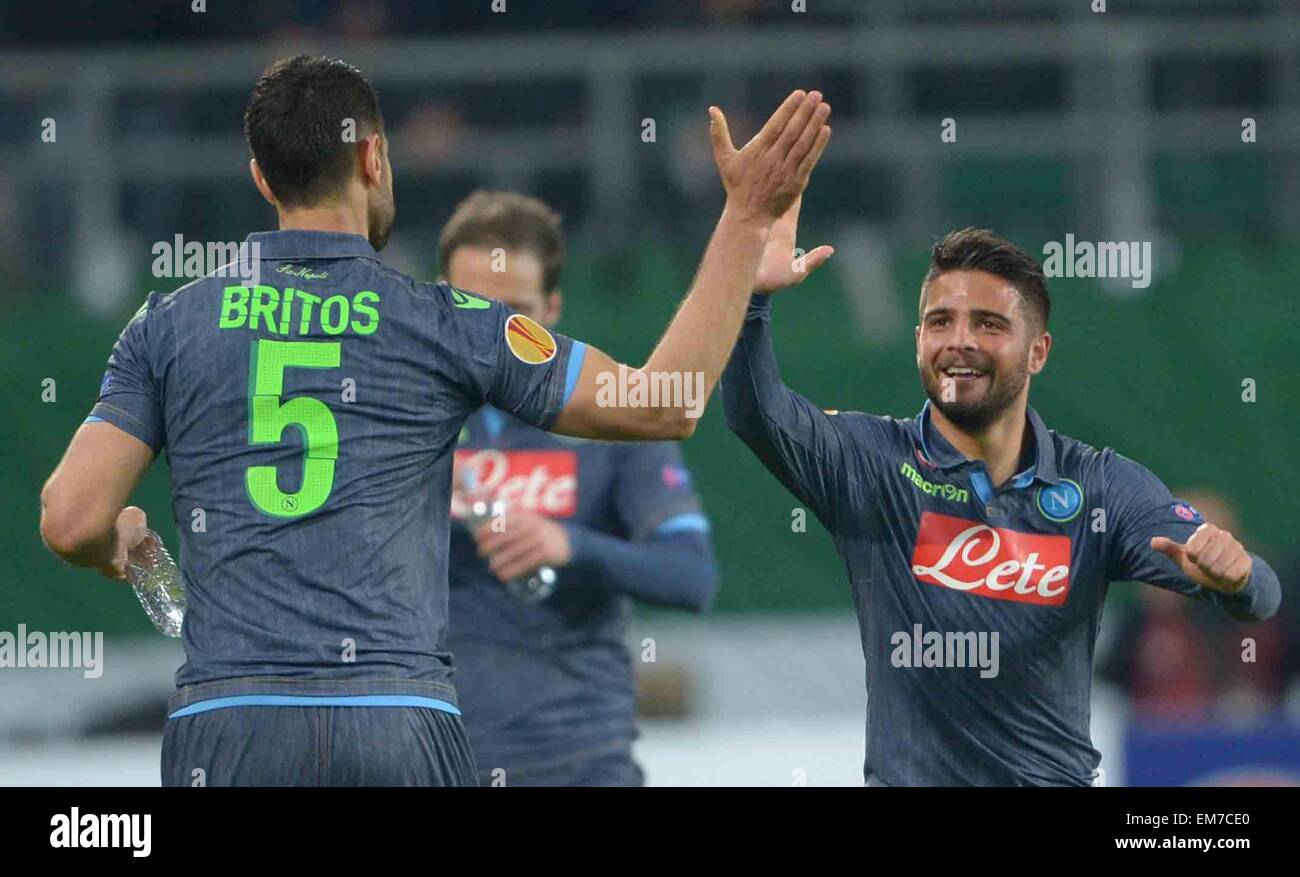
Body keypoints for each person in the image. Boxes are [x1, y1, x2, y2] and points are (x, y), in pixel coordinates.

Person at [37, 55, 832, 786]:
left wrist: (119, 548)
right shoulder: (444, 321)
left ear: (261, 177)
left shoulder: (168, 326)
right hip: (396, 723)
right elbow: (665, 403)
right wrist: (745, 220)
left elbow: (70, 519)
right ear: (373, 158)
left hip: (228, 725)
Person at [721, 216, 1283, 786]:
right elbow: (755, 414)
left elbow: (1261, 595)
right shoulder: (870, 462)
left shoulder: (1101, 486)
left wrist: (1236, 578)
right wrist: (751, 298)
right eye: (941, 321)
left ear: (1037, 351)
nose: (960, 340)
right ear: (919, 340)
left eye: (989, 324)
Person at [438, 190, 716, 786]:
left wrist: (570, 546)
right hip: (433, 763)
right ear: (440, 299)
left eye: (514, 316)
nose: (491, 336)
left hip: (580, 762)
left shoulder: (611, 420)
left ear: (554, 306)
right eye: (471, 308)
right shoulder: (403, 426)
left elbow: (692, 576)